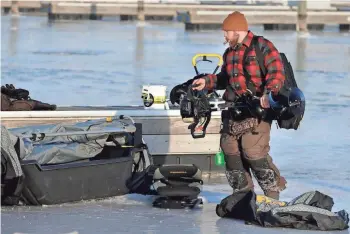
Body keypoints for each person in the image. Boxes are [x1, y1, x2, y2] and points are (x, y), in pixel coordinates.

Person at [192, 11, 287, 200]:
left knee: (253, 152)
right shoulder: (229, 53)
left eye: (226, 32)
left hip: (257, 111)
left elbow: (276, 73)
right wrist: (206, 81)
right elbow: (223, 79)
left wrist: (268, 93)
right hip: (233, 110)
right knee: (230, 152)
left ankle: (272, 195)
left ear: (236, 30)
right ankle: (243, 195)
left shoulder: (262, 46)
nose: (224, 36)